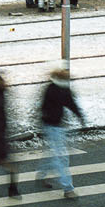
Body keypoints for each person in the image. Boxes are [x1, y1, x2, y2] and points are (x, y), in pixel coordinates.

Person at [38, 66, 86, 199]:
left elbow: (70, 103)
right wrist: (80, 117)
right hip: (52, 126)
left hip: (57, 126)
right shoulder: (52, 90)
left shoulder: (62, 89)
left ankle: (41, 174)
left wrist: (80, 117)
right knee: (60, 158)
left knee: (55, 153)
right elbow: (46, 107)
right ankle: (68, 188)